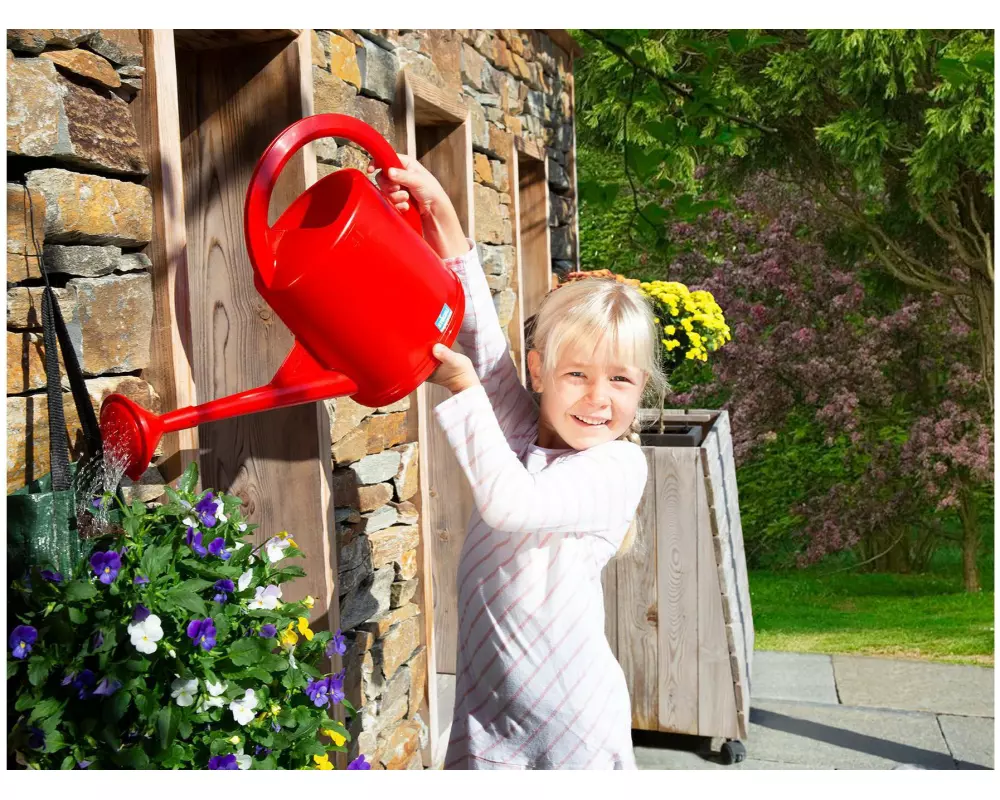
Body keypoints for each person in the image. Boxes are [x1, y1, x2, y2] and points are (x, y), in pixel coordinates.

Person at [369, 155, 666, 770]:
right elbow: (481, 342)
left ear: (642, 391)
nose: (597, 398)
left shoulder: (618, 469)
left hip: (571, 723)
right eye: (576, 375)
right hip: (489, 704)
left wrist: (461, 386)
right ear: (540, 373)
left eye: (619, 380)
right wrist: (441, 217)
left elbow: (512, 505)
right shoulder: (527, 431)